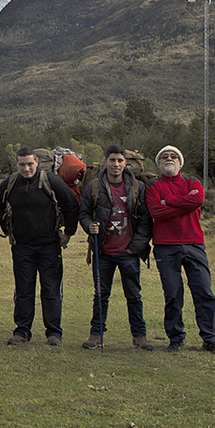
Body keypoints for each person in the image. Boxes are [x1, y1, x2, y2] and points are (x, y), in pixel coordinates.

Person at [145, 145, 215, 354]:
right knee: (173, 294)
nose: (169, 158)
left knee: (204, 292)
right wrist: (185, 204)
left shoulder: (193, 183)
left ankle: (210, 339)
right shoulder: (153, 186)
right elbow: (156, 211)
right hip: (165, 246)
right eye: (164, 157)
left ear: (181, 163)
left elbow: (198, 200)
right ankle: (176, 338)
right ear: (159, 163)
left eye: (174, 156)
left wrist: (169, 201)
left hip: (194, 244)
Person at [0, 146, 79, 346]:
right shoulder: (10, 183)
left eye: (30, 164)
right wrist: (8, 232)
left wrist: (69, 233)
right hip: (22, 246)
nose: (26, 168)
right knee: (23, 290)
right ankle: (22, 331)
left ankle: (53, 333)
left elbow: (72, 204)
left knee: (50, 290)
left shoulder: (51, 181)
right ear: (16, 164)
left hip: (49, 245)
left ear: (37, 162)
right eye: (22, 164)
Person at [78, 145, 154, 351]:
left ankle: (139, 337)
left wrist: (135, 248)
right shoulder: (93, 186)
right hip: (102, 251)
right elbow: (83, 213)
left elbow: (146, 221)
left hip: (128, 252)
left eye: (120, 161)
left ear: (125, 163)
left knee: (134, 295)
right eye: (112, 160)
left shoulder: (137, 187)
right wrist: (88, 226)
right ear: (105, 162)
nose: (116, 164)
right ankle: (96, 335)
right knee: (100, 295)